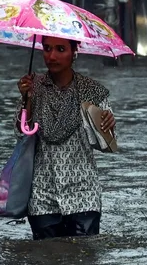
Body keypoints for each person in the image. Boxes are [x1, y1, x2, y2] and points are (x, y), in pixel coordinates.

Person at [15, 36, 117, 240]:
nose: (51, 56)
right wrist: (26, 99)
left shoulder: (93, 91)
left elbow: (107, 144)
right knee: (46, 264)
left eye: (60, 49)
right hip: (43, 195)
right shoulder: (33, 87)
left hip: (83, 195)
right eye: (47, 48)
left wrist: (107, 124)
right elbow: (21, 133)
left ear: (74, 52)